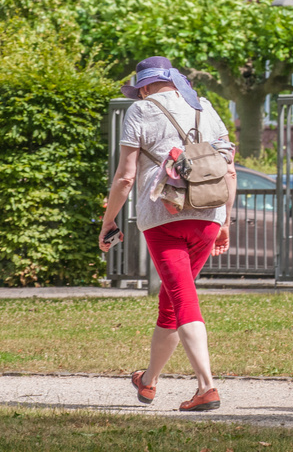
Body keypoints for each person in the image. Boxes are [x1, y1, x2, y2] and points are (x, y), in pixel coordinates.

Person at [99, 56, 236, 412]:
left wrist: (108, 221)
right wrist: (225, 222)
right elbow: (229, 169)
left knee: (183, 299)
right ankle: (148, 382)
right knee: (172, 301)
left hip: (164, 218)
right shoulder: (204, 107)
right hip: (209, 215)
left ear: (143, 86)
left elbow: (126, 176)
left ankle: (207, 387)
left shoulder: (141, 111)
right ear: (174, 81)